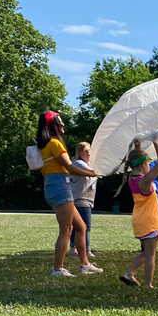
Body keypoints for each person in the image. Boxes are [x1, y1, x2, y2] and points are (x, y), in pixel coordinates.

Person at [36, 111, 102, 277]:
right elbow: (71, 168)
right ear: (54, 125)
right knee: (65, 230)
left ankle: (85, 264)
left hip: (54, 185)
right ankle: (57, 269)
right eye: (61, 122)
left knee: (81, 227)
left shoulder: (45, 145)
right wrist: (97, 173)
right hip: (60, 186)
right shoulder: (55, 144)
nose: (63, 125)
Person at [118, 140, 158, 288]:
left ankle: (129, 273)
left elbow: (136, 160)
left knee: (146, 252)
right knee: (151, 254)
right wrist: (156, 142)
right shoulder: (144, 181)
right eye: (148, 163)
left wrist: (138, 148)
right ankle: (148, 285)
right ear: (143, 165)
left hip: (139, 219)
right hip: (148, 220)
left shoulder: (133, 177)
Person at [68, 142, 97, 259]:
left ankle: (73, 248)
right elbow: (93, 172)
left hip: (86, 199)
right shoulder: (78, 163)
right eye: (86, 151)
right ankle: (87, 250)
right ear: (80, 152)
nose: (89, 153)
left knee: (79, 226)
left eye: (90, 151)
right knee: (86, 226)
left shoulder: (88, 164)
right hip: (80, 199)